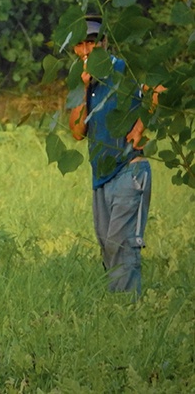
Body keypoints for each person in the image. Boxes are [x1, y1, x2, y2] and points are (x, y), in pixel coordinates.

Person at [68, 16, 152, 294]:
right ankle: (119, 311)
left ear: (104, 43)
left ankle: (130, 312)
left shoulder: (122, 68)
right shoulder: (83, 83)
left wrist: (140, 126)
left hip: (129, 168)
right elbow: (77, 132)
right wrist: (83, 87)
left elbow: (159, 90)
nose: (87, 50)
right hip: (101, 175)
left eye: (92, 42)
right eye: (80, 44)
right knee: (107, 245)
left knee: (122, 244)